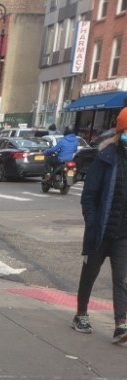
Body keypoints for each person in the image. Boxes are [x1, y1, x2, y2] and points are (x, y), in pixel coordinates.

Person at [73, 107, 127, 343]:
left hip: (122, 233)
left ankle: (121, 324)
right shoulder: (105, 158)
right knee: (90, 274)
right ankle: (81, 314)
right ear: (121, 132)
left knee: (122, 279)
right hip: (100, 231)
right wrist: (92, 223)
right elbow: (89, 196)